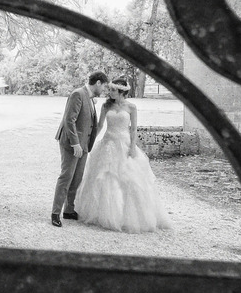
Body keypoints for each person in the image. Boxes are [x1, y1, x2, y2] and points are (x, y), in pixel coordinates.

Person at [75, 77, 172, 233]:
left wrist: (132, 147)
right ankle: (104, 214)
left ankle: (129, 217)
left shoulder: (131, 108)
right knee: (104, 177)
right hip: (108, 144)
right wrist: (89, 141)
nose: (110, 92)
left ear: (121, 91)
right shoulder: (106, 106)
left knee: (130, 179)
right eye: (110, 89)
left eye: (113, 90)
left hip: (125, 143)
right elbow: (99, 126)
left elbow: (133, 129)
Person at [51, 71, 109, 227]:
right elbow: (69, 121)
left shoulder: (90, 98)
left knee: (77, 178)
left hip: (83, 144)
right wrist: (75, 144)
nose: (104, 89)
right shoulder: (77, 94)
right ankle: (55, 213)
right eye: (104, 86)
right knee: (66, 176)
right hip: (72, 143)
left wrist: (82, 145)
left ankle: (68, 210)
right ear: (98, 83)